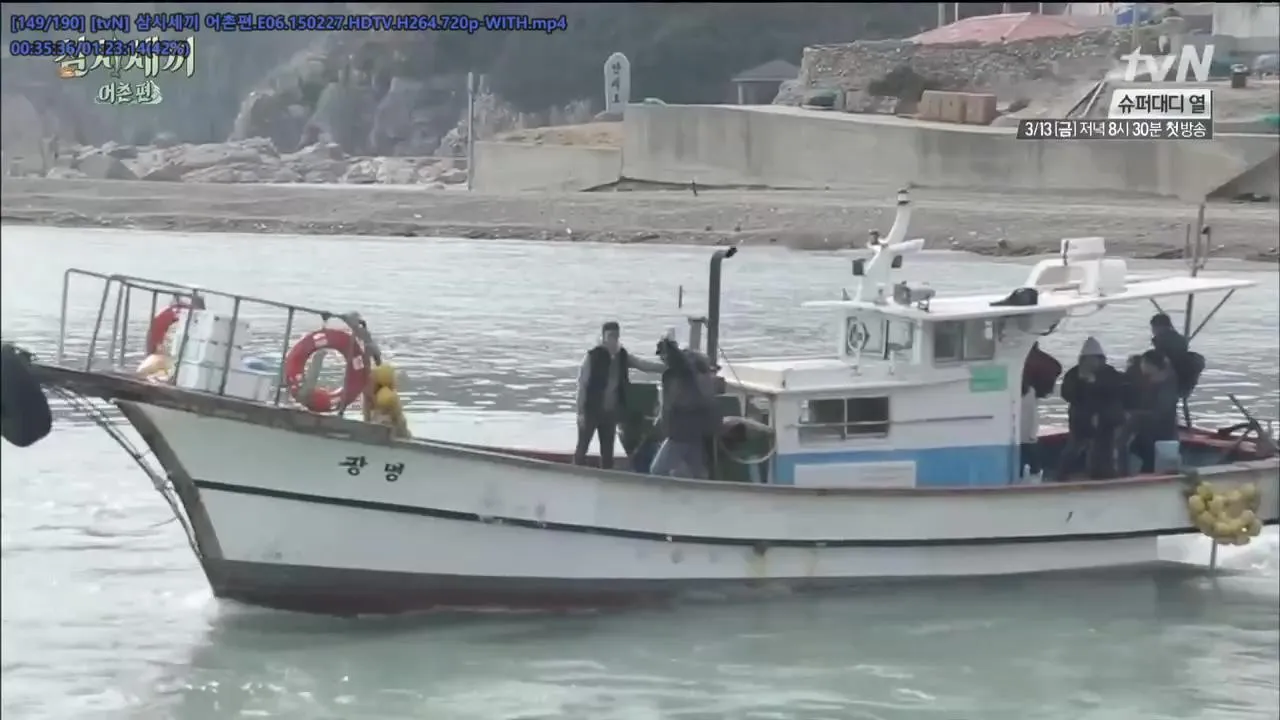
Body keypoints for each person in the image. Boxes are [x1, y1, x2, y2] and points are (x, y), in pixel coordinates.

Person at [574, 321, 664, 469]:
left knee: (608, 452)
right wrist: (580, 412)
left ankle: (606, 477)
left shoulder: (622, 355)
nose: (613, 339)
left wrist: (667, 368)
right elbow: (582, 386)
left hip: (610, 412)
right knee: (582, 447)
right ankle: (575, 472)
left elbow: (643, 365)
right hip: (591, 410)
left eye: (616, 336)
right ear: (603, 337)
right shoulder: (592, 356)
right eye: (610, 336)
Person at [1055, 336, 1127, 481]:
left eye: (1094, 359)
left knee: (1104, 449)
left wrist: (1095, 384)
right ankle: (1062, 475)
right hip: (1081, 418)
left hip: (1106, 419)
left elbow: (1116, 391)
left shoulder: (1110, 373)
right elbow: (1067, 394)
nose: (1091, 362)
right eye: (1088, 359)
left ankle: (1104, 474)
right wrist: (1083, 384)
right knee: (1074, 448)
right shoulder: (1074, 374)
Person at [649, 337, 720, 479]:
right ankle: (704, 489)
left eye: (662, 357)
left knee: (657, 470)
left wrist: (663, 425)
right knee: (697, 472)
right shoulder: (693, 370)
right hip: (697, 429)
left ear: (665, 356)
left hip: (679, 433)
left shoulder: (671, 375)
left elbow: (668, 406)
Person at [1116, 349, 1181, 475]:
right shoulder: (1146, 377)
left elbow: (1162, 412)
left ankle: (1126, 471)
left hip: (1161, 428)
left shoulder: (1167, 384)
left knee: (1131, 432)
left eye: (1144, 363)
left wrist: (1135, 415)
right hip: (1146, 425)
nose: (1141, 367)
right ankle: (1125, 469)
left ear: (1152, 366)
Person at [1019, 342, 1062, 481]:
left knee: (1027, 438)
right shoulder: (1042, 361)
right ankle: (1035, 472)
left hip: (1023, 396)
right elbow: (1055, 368)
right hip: (1028, 396)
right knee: (1029, 437)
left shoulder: (1027, 359)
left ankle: (1031, 472)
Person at [1150, 312, 1204, 400]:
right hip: (1184, 384)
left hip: (1172, 384)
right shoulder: (1179, 340)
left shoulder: (1163, 342)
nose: (1153, 331)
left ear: (1158, 327)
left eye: (1153, 328)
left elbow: (1163, 364)